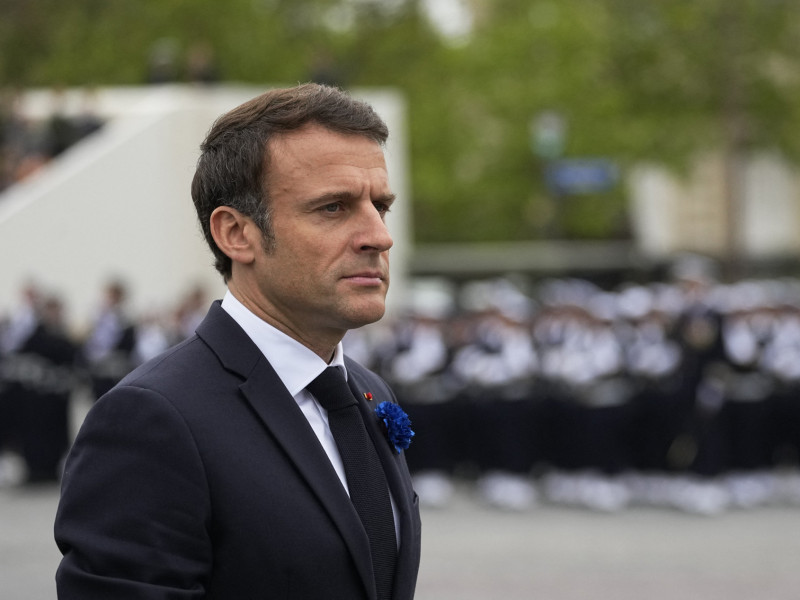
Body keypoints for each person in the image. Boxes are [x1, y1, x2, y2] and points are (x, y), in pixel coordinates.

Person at [54, 83, 421, 599]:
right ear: (236, 234)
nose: (378, 236)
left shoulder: (366, 392)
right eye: (334, 208)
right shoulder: (152, 420)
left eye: (379, 206)